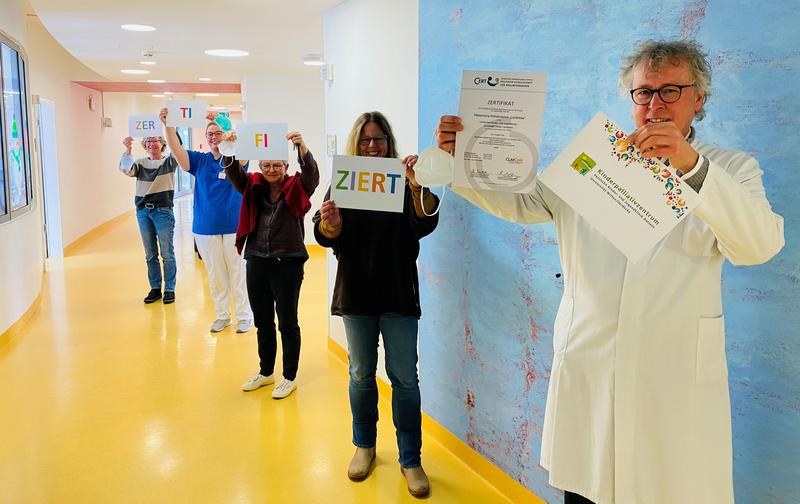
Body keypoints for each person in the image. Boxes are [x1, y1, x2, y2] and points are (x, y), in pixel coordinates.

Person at [435, 40, 784, 504]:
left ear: (699, 98)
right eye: (643, 92)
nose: (655, 104)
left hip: (672, 385)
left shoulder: (730, 169)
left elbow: (759, 244)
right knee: (588, 489)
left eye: (671, 90)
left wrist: (692, 168)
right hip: (591, 369)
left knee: (669, 489)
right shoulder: (596, 160)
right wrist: (468, 157)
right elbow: (528, 201)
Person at [313, 111, 440, 498]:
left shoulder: (404, 182)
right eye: (366, 139)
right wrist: (329, 224)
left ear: (388, 141)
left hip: (399, 294)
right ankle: (364, 446)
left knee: (405, 379)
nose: (372, 146)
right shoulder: (342, 181)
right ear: (357, 143)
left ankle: (410, 458)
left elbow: (426, 222)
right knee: (361, 375)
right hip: (357, 295)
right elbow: (326, 236)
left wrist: (418, 187)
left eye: (379, 139)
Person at [223, 131, 319, 399]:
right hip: (256, 261)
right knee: (263, 321)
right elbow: (233, 174)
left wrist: (301, 146)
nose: (271, 170)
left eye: (277, 165)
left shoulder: (297, 187)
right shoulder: (252, 185)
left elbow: (311, 175)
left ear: (286, 167)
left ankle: (289, 376)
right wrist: (230, 146)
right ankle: (266, 372)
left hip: (287, 262)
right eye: (266, 165)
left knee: (287, 322)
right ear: (259, 167)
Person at [160, 108, 253, 333]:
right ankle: (222, 315)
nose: (213, 137)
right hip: (205, 228)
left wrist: (220, 121)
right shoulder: (199, 161)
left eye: (218, 133)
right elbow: (176, 149)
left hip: (234, 226)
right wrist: (168, 125)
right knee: (216, 274)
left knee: (238, 273)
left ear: (226, 135)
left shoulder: (236, 159)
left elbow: (240, 145)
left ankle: (244, 316)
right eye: (210, 134)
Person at [119, 135, 179, 304]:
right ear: (145, 145)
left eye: (155, 140)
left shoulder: (169, 162)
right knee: (150, 254)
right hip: (144, 212)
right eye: (149, 141)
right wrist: (128, 149)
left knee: (167, 253)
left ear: (162, 144)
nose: (152, 144)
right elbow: (127, 170)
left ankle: (169, 289)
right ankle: (155, 288)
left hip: (163, 212)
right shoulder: (140, 163)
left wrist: (171, 128)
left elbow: (179, 151)